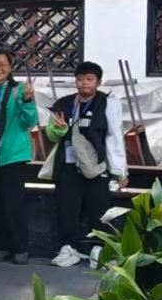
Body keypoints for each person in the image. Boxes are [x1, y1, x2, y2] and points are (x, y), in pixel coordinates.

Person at [43, 62, 131, 268]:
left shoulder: (107, 104)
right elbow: (51, 134)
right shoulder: (64, 103)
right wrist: (59, 129)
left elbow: (114, 136)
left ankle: (98, 249)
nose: (84, 83)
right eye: (80, 79)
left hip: (96, 165)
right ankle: (68, 247)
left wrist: (119, 171)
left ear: (98, 82)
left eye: (89, 79)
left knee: (98, 208)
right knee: (67, 207)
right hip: (68, 164)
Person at [0, 50, 42, 265]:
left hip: (13, 154)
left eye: (2, 64)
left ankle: (20, 248)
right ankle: (0, 246)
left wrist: (28, 100)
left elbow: (29, 121)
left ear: (10, 67)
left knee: (13, 203)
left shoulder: (20, 90)